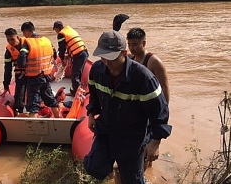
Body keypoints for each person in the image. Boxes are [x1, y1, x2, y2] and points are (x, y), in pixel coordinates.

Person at [83, 30, 172, 183]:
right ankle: (118, 173)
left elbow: (159, 111)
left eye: (111, 58)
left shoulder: (143, 78)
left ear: (123, 53)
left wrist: (155, 141)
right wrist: (91, 113)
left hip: (132, 137)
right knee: (93, 167)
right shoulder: (97, 70)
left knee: (132, 180)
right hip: (107, 129)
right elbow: (94, 94)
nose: (106, 62)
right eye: (103, 57)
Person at [17, 21, 60, 118]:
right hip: (46, 75)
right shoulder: (46, 41)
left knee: (33, 104)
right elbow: (55, 54)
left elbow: (21, 62)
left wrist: (23, 67)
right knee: (50, 99)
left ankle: (33, 128)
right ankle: (58, 118)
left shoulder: (27, 43)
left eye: (24, 33)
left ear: (27, 32)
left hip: (34, 78)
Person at [126, 27, 170, 104]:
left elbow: (164, 87)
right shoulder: (130, 59)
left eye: (134, 45)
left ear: (143, 43)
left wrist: (164, 111)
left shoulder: (154, 62)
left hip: (151, 102)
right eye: (129, 45)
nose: (131, 48)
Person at [53, 21, 89, 96]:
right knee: (77, 74)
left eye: (55, 29)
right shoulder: (69, 29)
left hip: (79, 55)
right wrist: (69, 55)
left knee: (75, 75)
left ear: (57, 28)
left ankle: (79, 95)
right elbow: (72, 44)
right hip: (84, 52)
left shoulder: (61, 34)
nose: (55, 31)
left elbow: (61, 49)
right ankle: (74, 91)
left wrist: (62, 60)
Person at [2, 28, 27, 115]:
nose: (10, 42)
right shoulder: (8, 51)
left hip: (33, 73)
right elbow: (7, 68)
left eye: (12, 39)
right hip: (20, 74)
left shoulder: (27, 43)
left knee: (35, 93)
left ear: (17, 37)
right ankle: (19, 112)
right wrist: (6, 85)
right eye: (8, 40)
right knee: (19, 95)